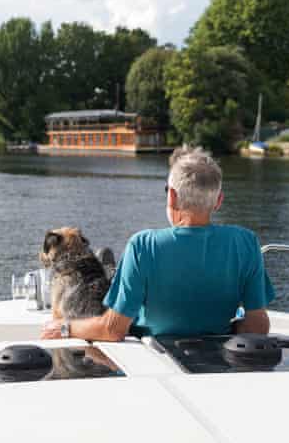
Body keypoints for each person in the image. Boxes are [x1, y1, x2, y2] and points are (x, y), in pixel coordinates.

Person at [42, 145, 275, 341]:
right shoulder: (245, 242)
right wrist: (221, 329)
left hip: (155, 353)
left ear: (172, 196)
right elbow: (258, 327)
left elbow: (113, 330)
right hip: (219, 356)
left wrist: (66, 328)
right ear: (218, 201)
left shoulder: (143, 245)